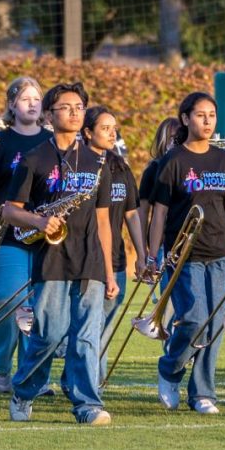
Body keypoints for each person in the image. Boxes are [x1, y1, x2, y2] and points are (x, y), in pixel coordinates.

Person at [4, 82, 116, 425]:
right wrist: (39, 221)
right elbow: (9, 211)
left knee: (86, 337)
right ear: (50, 115)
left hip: (91, 261)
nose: (74, 112)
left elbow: (103, 221)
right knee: (49, 335)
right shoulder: (34, 158)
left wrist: (110, 271)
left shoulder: (99, 161)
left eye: (79, 107)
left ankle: (87, 405)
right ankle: (23, 390)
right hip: (51, 259)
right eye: (66, 107)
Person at [146, 92, 225, 415]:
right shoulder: (173, 161)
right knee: (193, 319)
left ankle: (203, 392)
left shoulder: (224, 160)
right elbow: (160, 214)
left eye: (211, 115)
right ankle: (170, 369)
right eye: (200, 115)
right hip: (185, 255)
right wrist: (154, 255)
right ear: (185, 119)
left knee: (215, 324)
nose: (207, 121)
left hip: (221, 252)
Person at [0, 76, 48, 392]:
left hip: (45, 237)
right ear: (11, 104)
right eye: (26, 99)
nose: (33, 104)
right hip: (7, 235)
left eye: (37, 99)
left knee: (40, 308)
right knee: (8, 303)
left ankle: (32, 372)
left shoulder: (52, 141)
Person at [85, 104, 145, 384]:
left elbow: (132, 214)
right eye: (105, 128)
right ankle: (84, 379)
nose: (112, 134)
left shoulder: (121, 168)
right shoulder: (79, 165)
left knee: (103, 328)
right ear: (87, 132)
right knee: (85, 325)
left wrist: (142, 255)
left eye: (114, 129)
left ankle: (92, 380)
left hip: (117, 259)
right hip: (84, 260)